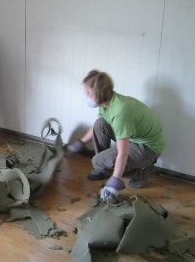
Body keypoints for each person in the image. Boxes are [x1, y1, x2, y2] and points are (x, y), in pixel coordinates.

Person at [65, 70, 166, 203]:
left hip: (148, 148)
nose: (87, 96)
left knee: (97, 161)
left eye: (88, 92)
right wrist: (78, 145)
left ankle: (142, 173)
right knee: (100, 124)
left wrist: (114, 184)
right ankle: (103, 168)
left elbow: (123, 153)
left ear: (98, 92)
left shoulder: (120, 112)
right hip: (136, 139)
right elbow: (98, 128)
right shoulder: (106, 103)